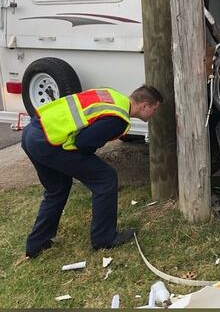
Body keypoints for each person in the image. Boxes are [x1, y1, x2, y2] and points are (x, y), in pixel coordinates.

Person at [21, 84, 163, 257]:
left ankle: (36, 245)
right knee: (105, 178)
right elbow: (84, 143)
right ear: (144, 106)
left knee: (57, 189)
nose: (154, 113)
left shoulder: (112, 95)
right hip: (49, 143)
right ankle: (104, 238)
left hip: (33, 133)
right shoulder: (118, 118)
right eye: (155, 109)